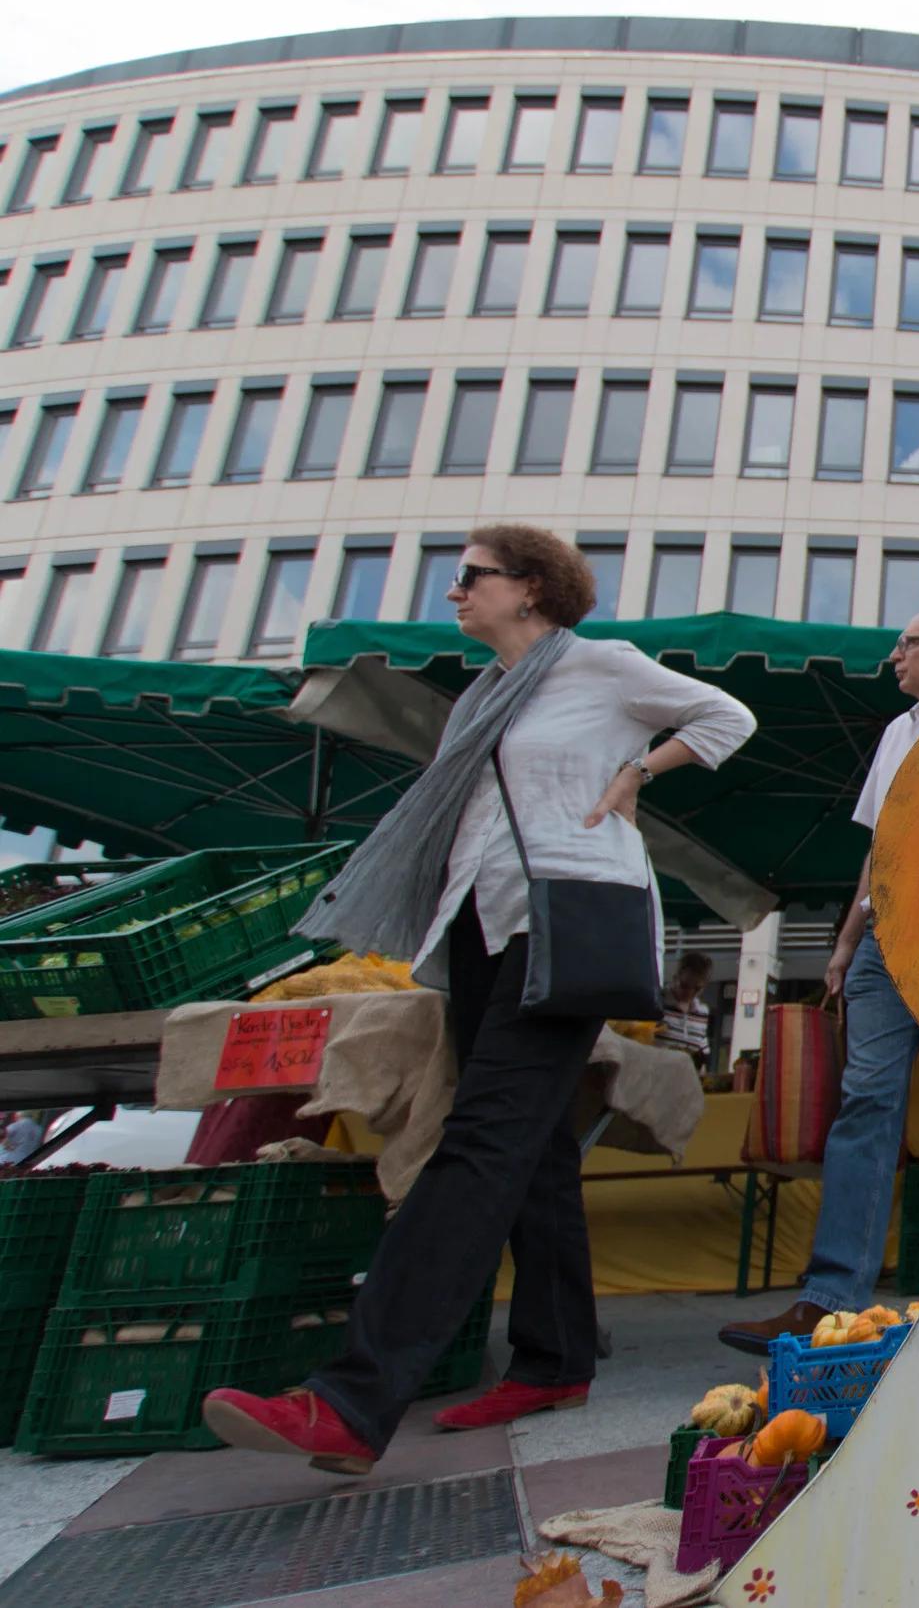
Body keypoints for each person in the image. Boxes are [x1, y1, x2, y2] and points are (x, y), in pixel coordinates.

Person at [201, 525, 756, 1474]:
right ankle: (552, 1359)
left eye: (470, 577)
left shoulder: (600, 665)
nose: (453, 593)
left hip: (564, 926)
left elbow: (726, 717)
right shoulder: (486, 697)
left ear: (532, 588)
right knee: (531, 1148)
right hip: (480, 928)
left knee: (479, 1143)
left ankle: (351, 1397)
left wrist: (637, 772)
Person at [720, 611, 919, 1352]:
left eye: (905, 645)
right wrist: (846, 942)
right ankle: (829, 1299)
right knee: (865, 1100)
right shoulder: (897, 732)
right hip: (888, 937)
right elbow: (882, 846)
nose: (893, 657)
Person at [655, 950, 716, 1065]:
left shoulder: (702, 1012)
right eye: (684, 986)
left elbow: (702, 1050)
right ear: (675, 978)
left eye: (697, 988)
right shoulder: (657, 1002)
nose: (690, 992)